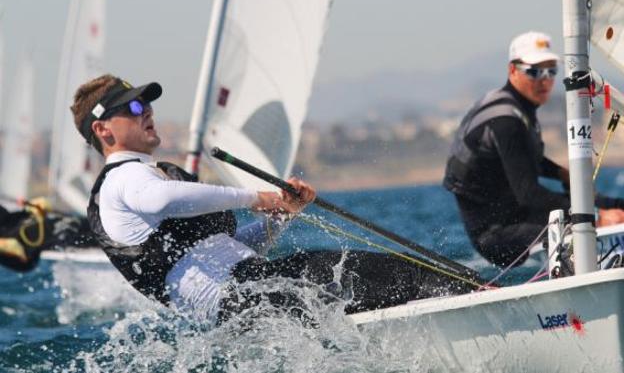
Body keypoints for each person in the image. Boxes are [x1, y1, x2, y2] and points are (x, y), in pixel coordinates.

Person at [72, 74, 474, 324]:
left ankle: (474, 298)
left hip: (254, 288)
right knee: (392, 275)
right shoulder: (121, 182)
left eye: (148, 103)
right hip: (241, 298)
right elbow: (162, 200)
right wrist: (255, 197)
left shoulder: (150, 177)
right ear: (104, 130)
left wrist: (282, 213)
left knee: (378, 276)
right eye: (134, 106)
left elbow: (238, 248)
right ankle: (485, 299)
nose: (148, 110)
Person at [443, 31, 624, 268]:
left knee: (610, 211)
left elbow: (525, 160)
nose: (545, 80)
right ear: (512, 71)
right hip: (498, 235)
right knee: (601, 221)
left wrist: (562, 174)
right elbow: (528, 194)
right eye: (534, 71)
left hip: (518, 215)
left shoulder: (518, 108)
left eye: (551, 71)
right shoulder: (506, 121)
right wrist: (596, 217)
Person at [0, 198, 96, 271]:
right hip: (67, 239)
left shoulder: (16, 217)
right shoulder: (6, 244)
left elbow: (39, 207)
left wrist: (34, 206)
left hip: (74, 224)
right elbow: (26, 265)